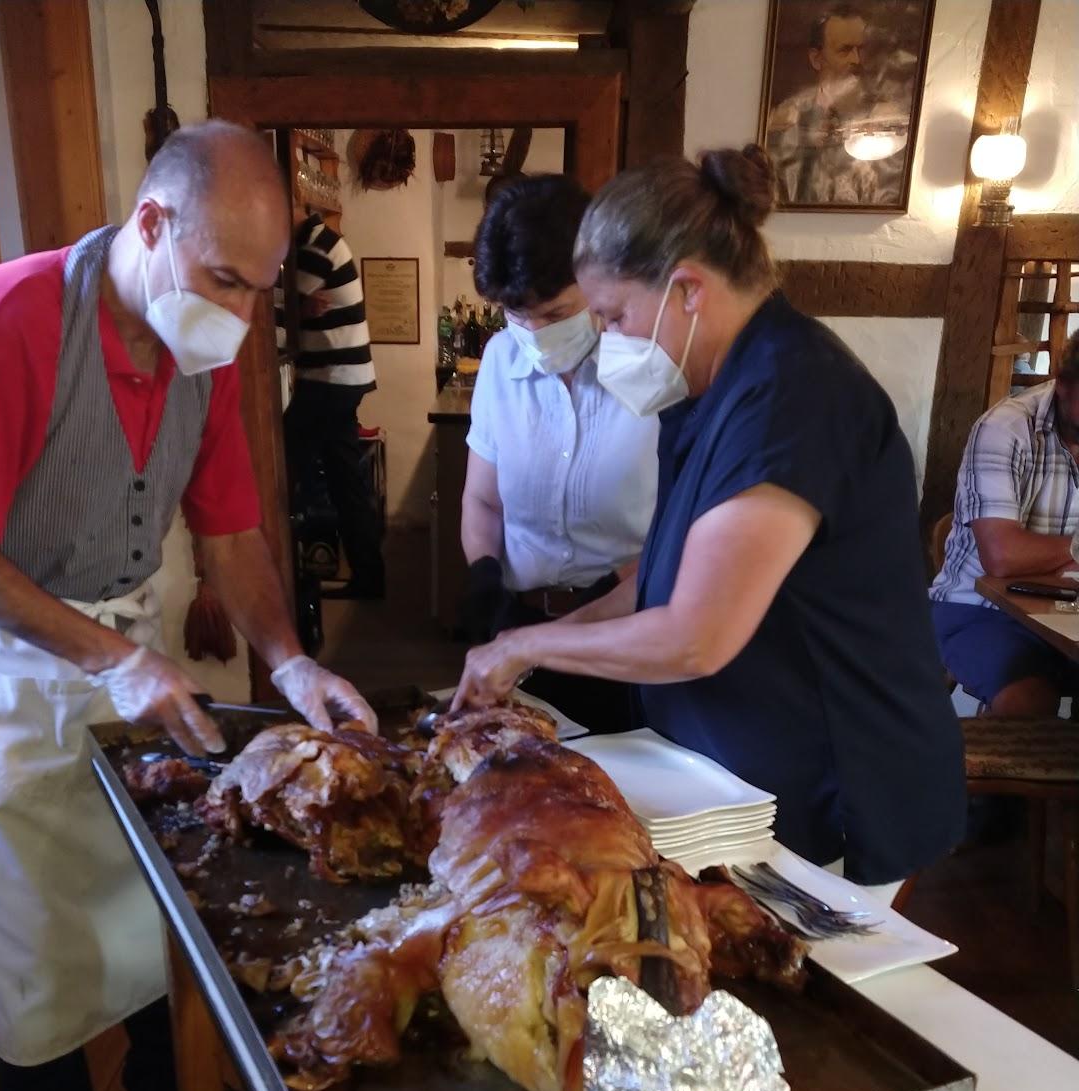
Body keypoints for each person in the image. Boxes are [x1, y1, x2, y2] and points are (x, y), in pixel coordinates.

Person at [0, 121, 375, 1091]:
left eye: (260, 291)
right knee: (35, 932)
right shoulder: (9, 319)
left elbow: (233, 533)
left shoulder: (197, 352)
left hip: (119, 636)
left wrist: (291, 661)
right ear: (151, 224)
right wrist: (112, 658)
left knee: (163, 881)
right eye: (224, 279)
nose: (243, 317)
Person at [453, 146, 966, 891]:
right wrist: (530, 644)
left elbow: (696, 635)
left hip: (835, 784)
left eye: (613, 315)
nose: (610, 339)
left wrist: (525, 646)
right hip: (732, 775)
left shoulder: (796, 397)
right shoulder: (704, 394)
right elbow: (659, 583)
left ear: (687, 289)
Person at [460, 174, 658, 734]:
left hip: (623, 629)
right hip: (519, 629)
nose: (532, 330)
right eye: (515, 313)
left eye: (553, 313)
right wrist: (483, 577)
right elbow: (483, 502)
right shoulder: (502, 359)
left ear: (598, 281)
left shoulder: (652, 365)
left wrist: (613, 592)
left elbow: (685, 530)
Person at [929, 329, 1079, 717]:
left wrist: (1049, 557)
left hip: (1068, 614)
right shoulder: (1006, 428)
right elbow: (1002, 557)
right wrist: (1072, 552)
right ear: (1063, 384)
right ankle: (988, 776)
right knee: (1029, 702)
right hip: (978, 609)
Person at [279, 203, 385, 600]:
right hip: (342, 379)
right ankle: (369, 577)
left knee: (282, 467)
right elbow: (290, 308)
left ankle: (293, 574)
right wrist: (294, 307)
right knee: (345, 483)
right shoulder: (318, 243)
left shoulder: (315, 249)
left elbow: (273, 317)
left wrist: (290, 307)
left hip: (329, 380)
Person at [766, 3, 901, 207]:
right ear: (816, 58)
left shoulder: (887, 119)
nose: (856, 59)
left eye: (861, 49)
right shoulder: (786, 115)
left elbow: (890, 193)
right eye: (845, 50)